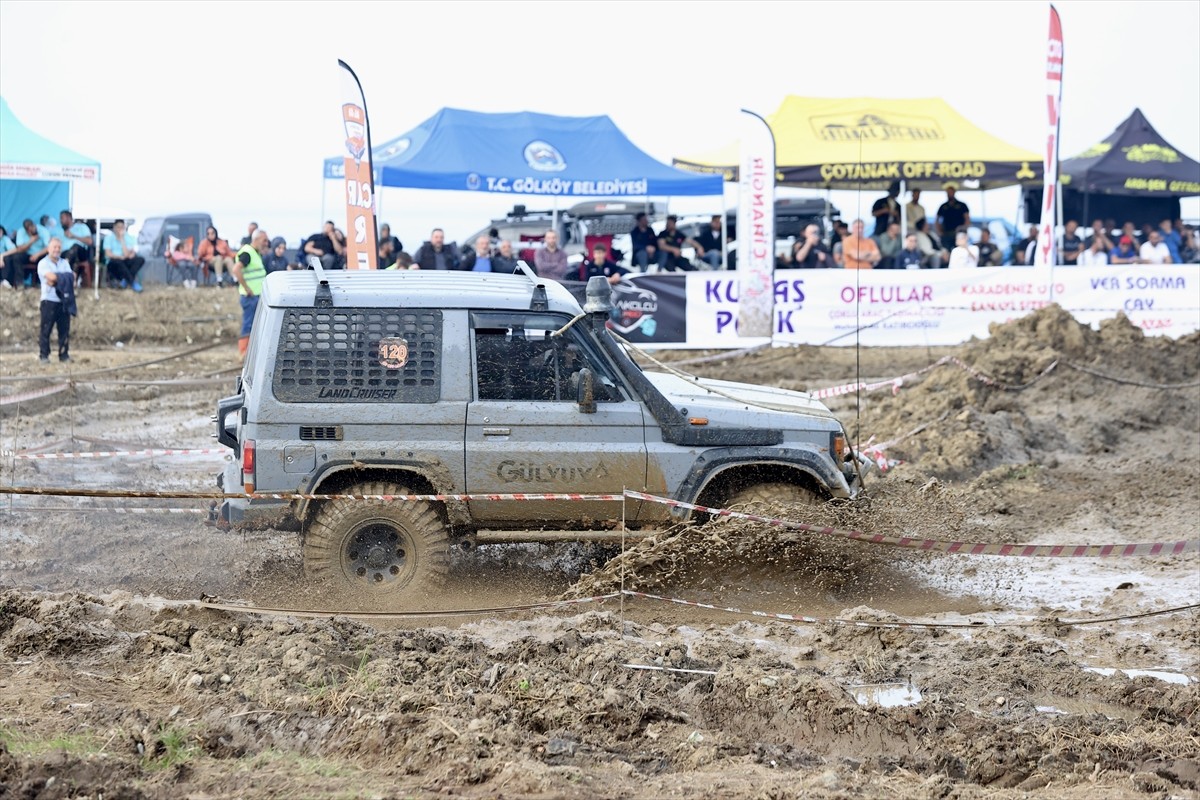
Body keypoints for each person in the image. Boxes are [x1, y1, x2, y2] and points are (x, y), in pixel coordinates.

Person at [233, 230, 270, 360]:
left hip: (256, 296)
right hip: (250, 297)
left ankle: (251, 353)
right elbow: (236, 269)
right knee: (248, 324)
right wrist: (246, 288)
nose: (266, 243)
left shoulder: (255, 253)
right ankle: (243, 353)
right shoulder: (247, 253)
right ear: (257, 239)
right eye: (264, 240)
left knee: (255, 325)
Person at [36, 237, 74, 363]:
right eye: (54, 247)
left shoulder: (65, 263)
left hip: (64, 300)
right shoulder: (43, 263)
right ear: (48, 249)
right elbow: (50, 277)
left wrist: (56, 279)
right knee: (46, 330)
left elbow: (72, 277)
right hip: (49, 300)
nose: (57, 250)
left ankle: (64, 355)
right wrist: (63, 277)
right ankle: (44, 355)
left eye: (59, 247)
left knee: (64, 330)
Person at [103, 219, 145, 291]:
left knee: (140, 259)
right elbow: (107, 253)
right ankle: (132, 282)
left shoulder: (129, 238)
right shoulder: (108, 238)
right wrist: (119, 256)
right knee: (118, 262)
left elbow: (127, 254)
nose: (120, 229)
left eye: (122, 227)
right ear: (114, 227)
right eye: (118, 227)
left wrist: (122, 239)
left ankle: (125, 281)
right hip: (114, 261)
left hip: (125, 260)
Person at [9, 218, 52, 287]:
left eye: (32, 229)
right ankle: (19, 283)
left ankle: (39, 283)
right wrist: (31, 241)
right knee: (16, 257)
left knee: (46, 258)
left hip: (40, 254)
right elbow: (19, 249)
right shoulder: (21, 231)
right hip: (27, 254)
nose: (30, 232)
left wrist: (37, 254)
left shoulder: (43, 231)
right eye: (28, 231)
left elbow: (49, 247)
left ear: (34, 225)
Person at [57, 210, 94, 280]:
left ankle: (65, 266)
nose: (60, 220)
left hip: (81, 253)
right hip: (65, 254)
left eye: (62, 218)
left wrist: (74, 236)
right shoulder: (60, 231)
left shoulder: (81, 227)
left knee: (75, 246)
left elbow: (89, 241)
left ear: (68, 217)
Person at [935, 182, 970, 251]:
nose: (949, 194)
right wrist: (939, 231)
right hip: (946, 233)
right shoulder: (943, 206)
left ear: (954, 192)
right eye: (948, 192)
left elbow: (967, 219)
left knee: (960, 251)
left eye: (951, 192)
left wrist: (963, 229)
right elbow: (937, 220)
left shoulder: (962, 205)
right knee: (946, 251)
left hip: (958, 233)